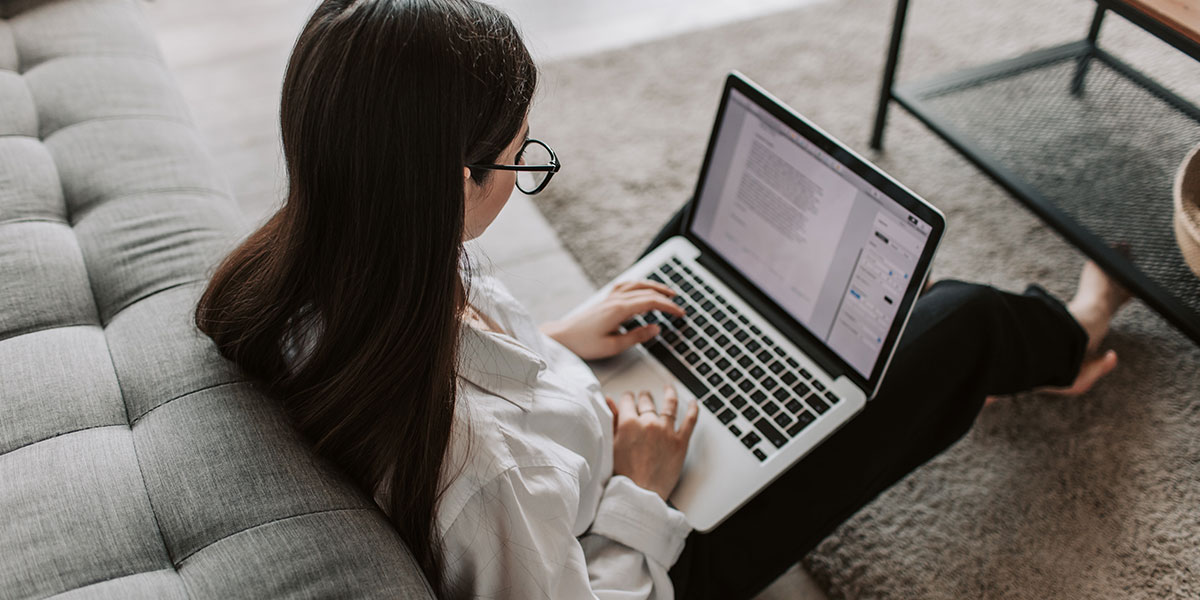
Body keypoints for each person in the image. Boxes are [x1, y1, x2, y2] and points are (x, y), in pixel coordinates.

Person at [194, 1, 1131, 598]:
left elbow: (455, 365)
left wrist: (556, 340)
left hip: (577, 431)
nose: (528, 165)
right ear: (448, 181)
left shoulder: (325, 263)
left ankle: (860, 322)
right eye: (520, 158)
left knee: (707, 238)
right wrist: (641, 490)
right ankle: (1070, 339)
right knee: (961, 321)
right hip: (657, 546)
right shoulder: (485, 477)